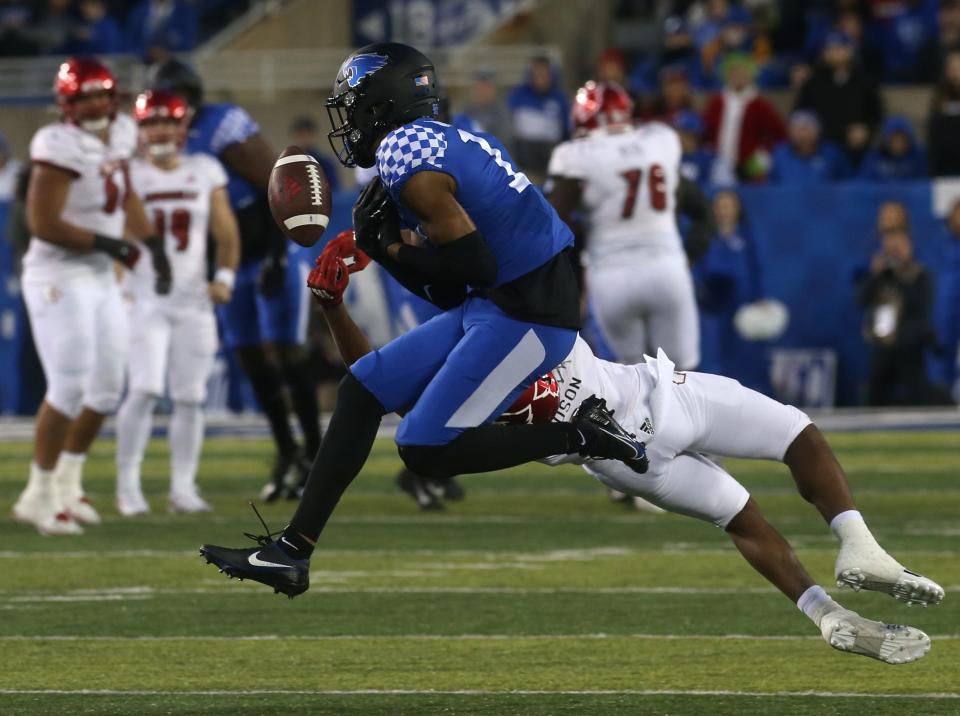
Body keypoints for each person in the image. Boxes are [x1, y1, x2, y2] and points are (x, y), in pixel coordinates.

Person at [299, 230, 942, 666]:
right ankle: (860, 545)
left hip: (621, 462)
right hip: (659, 400)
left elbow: (380, 388)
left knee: (742, 519)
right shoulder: (513, 319)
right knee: (797, 434)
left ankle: (825, 614)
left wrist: (333, 306)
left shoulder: (472, 378)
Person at [200, 42, 648, 597]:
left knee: (423, 448)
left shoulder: (402, 153)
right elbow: (458, 282)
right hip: (500, 299)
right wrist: (382, 247)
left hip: (530, 313)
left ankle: (585, 435)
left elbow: (471, 267)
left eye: (354, 104)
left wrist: (386, 250)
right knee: (362, 389)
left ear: (382, 104)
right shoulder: (446, 139)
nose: (349, 119)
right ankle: (291, 552)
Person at [11, 57, 172, 535]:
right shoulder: (55, 143)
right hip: (58, 275)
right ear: (67, 103)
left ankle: (67, 482)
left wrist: (155, 246)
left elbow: (123, 196)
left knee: (105, 389)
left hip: (102, 275)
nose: (96, 104)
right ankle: (37, 494)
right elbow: (43, 223)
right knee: (68, 387)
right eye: (84, 97)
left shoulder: (123, 132)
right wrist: (112, 244)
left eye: (101, 94)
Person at [150, 59, 322, 502]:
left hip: (266, 251)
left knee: (287, 351)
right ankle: (288, 453)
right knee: (249, 356)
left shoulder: (221, 126)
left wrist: (281, 255)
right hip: (224, 262)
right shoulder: (160, 144)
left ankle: (318, 456)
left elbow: (279, 184)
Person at [114, 90, 240, 516]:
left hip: (192, 297)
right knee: (145, 387)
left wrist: (223, 277)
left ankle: (182, 488)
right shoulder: (128, 174)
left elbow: (226, 232)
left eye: (166, 121)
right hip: (143, 294)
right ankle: (128, 487)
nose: (159, 130)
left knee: (190, 396)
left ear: (182, 127)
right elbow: (116, 237)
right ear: (139, 130)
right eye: (150, 123)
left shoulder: (204, 170)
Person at [548, 81, 714, 369]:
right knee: (681, 375)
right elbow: (686, 202)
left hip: (612, 275)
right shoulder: (659, 141)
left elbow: (554, 219)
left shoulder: (576, 155)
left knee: (631, 375)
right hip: (666, 269)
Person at [857, 228, 944, 406]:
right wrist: (876, 274)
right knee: (874, 394)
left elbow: (923, 309)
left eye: (899, 247)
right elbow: (861, 300)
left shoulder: (919, 275)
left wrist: (902, 277)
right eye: (890, 248)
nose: (895, 252)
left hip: (910, 347)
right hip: (884, 346)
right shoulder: (881, 276)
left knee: (918, 394)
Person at [794, 30, 884, 168]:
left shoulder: (865, 81)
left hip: (856, 150)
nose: (835, 52)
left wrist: (866, 130)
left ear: (851, 51)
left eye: (840, 48)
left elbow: (877, 115)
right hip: (820, 152)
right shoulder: (813, 83)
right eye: (830, 49)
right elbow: (800, 114)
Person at [702, 53, 786, 182]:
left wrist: (763, 156)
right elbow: (705, 131)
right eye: (733, 71)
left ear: (750, 74)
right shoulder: (716, 103)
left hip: (750, 169)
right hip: (718, 167)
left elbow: (778, 135)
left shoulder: (760, 104)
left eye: (742, 71)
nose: (738, 75)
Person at [507, 55, 570, 182]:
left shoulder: (560, 99)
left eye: (544, 74)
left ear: (552, 76)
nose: (540, 79)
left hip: (551, 163)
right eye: (536, 74)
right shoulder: (518, 96)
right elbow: (508, 130)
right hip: (524, 163)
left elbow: (566, 132)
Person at [768, 110, 851, 184]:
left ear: (818, 131)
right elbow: (769, 186)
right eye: (798, 129)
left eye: (807, 128)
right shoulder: (779, 154)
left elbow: (849, 183)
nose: (803, 134)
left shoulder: (832, 154)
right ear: (790, 132)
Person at [857, 115, 927, 182]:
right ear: (886, 140)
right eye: (894, 140)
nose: (898, 144)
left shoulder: (917, 156)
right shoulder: (874, 157)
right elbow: (864, 183)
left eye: (902, 140)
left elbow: (924, 182)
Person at [927, 50, 960, 177]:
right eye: (952, 68)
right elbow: (934, 129)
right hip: (945, 163)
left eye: (958, 68)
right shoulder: (940, 95)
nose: (955, 72)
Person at [288, 115, 340, 193]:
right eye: (301, 135)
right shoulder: (287, 164)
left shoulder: (326, 163)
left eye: (307, 135)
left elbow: (334, 191)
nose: (304, 139)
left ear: (314, 135)